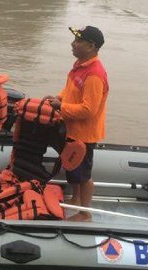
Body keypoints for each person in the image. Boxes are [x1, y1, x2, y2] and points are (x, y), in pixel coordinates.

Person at [45, 26, 109, 222]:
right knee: (73, 168)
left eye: (78, 41)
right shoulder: (80, 65)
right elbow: (69, 89)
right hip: (72, 129)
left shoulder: (95, 74)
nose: (73, 44)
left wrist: (61, 106)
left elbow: (89, 109)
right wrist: (57, 98)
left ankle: (85, 213)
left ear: (91, 46)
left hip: (84, 134)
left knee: (83, 174)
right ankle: (76, 197)